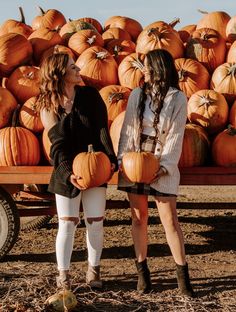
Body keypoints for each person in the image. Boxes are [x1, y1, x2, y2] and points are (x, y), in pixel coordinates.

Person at [37, 52, 118, 290]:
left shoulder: (90, 96)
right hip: (67, 169)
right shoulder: (48, 105)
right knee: (67, 223)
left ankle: (94, 270)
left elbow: (103, 130)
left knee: (95, 222)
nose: (79, 68)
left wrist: (110, 159)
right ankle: (63, 275)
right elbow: (57, 144)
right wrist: (66, 172)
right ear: (60, 73)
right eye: (73, 67)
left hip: (95, 166)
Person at [117, 49, 194, 297]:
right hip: (134, 163)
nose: (144, 70)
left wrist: (164, 167)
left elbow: (175, 136)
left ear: (160, 67)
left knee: (169, 221)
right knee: (138, 219)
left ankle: (183, 278)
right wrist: (123, 160)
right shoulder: (136, 95)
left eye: (148, 65)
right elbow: (128, 131)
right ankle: (143, 276)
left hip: (161, 164)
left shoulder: (178, 98)